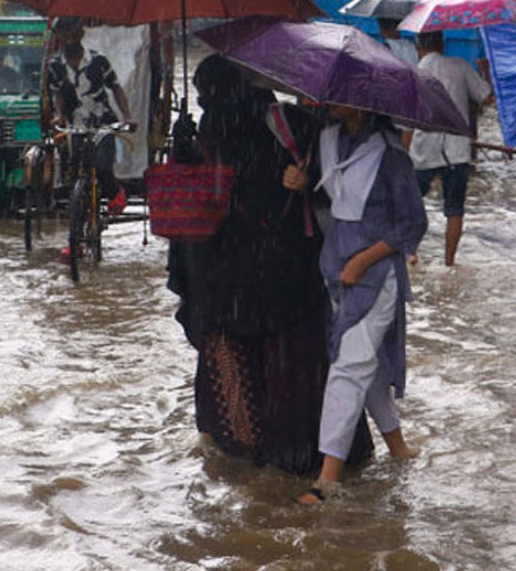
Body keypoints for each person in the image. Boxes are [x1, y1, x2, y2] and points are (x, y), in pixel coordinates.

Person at [167, 55, 373, 474]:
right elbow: (338, 177)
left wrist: (185, 152)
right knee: (295, 368)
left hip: (230, 281)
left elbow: (197, 204)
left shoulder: (221, 127)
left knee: (236, 368)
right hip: (285, 277)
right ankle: (306, 454)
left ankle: (243, 456)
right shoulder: (289, 122)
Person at [283, 104, 426, 504]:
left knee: (348, 367)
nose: (329, 101)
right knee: (370, 364)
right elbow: (331, 203)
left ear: (364, 105)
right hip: (336, 272)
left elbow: (413, 223)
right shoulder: (328, 144)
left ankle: (327, 480)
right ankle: (398, 450)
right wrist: (302, 182)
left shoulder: (391, 155)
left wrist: (364, 260)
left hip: (375, 278)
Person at [406, 30, 492, 267]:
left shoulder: (413, 72)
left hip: (423, 150)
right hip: (457, 151)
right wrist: (486, 71)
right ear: (442, 44)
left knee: (410, 202)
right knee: (454, 210)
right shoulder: (460, 66)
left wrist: (402, 154)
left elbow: (407, 121)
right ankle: (449, 263)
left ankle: (410, 252)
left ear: (418, 46)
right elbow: (486, 97)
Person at [47, 16, 134, 231]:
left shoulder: (98, 61)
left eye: (73, 33)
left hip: (102, 124)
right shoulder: (55, 67)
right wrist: (59, 115)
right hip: (75, 125)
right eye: (64, 34)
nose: (69, 39)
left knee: (103, 168)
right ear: (58, 37)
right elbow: (57, 96)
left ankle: (114, 193)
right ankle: (78, 227)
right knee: (74, 172)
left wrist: (127, 116)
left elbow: (116, 88)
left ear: (81, 34)